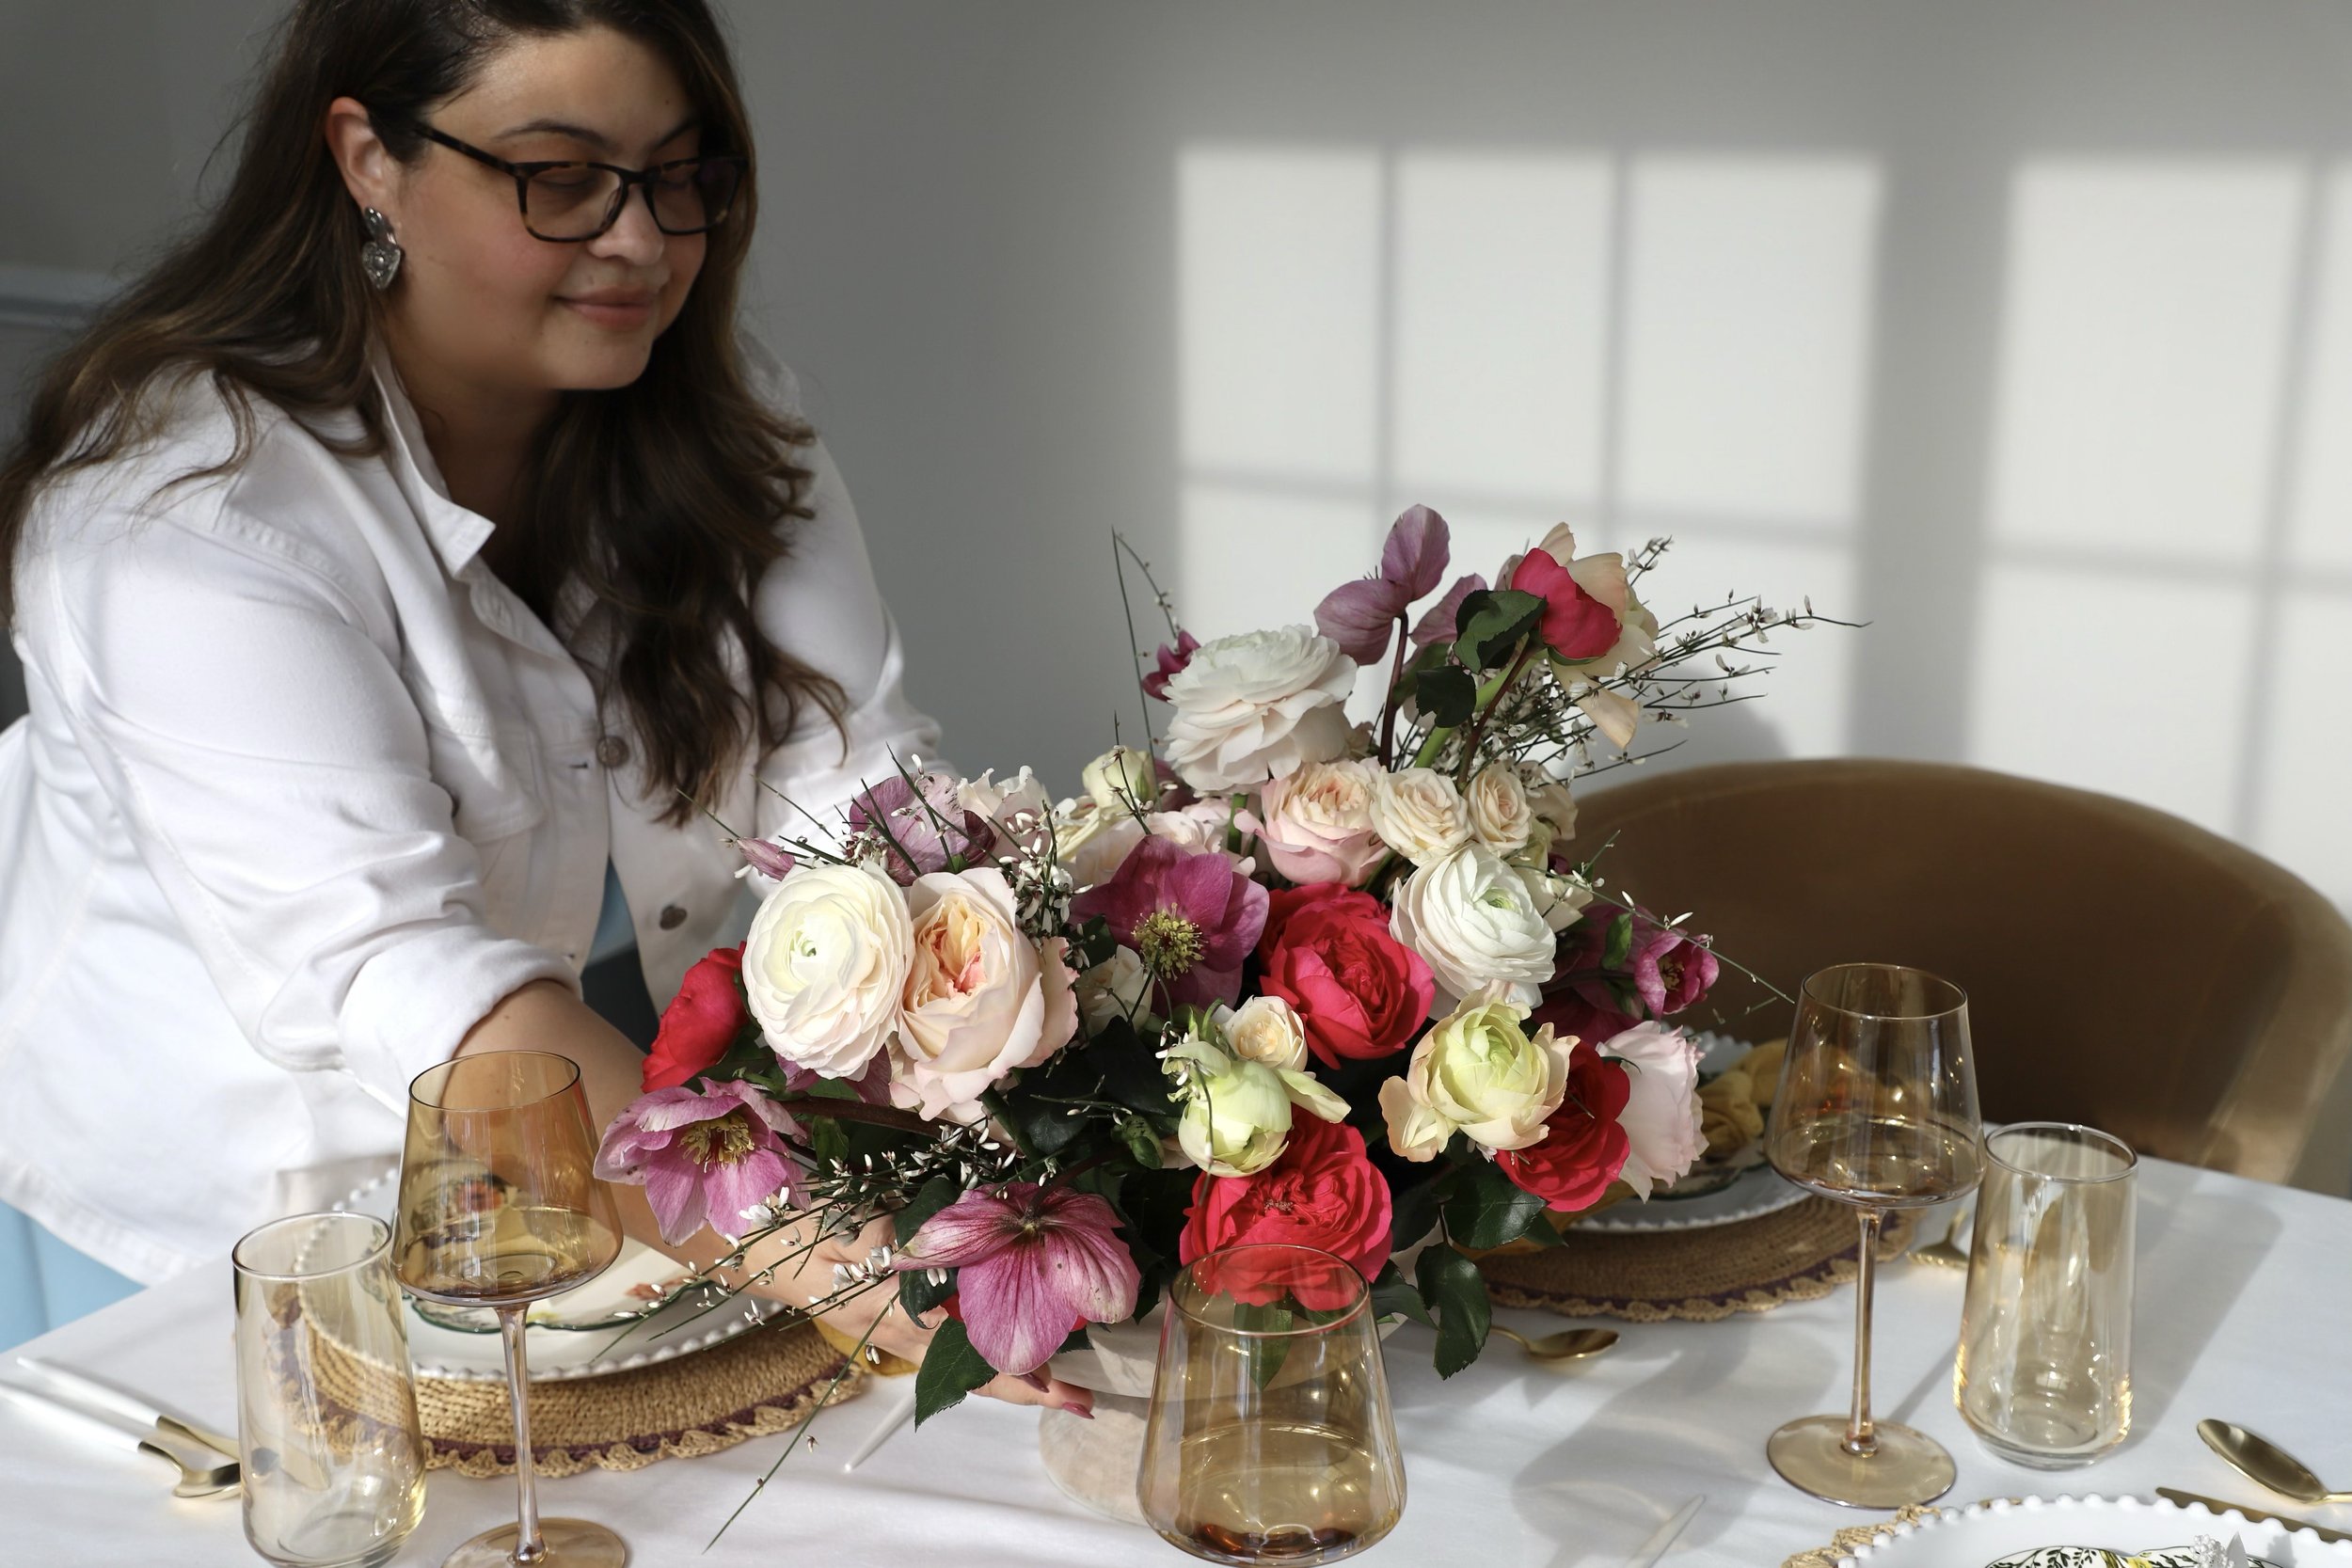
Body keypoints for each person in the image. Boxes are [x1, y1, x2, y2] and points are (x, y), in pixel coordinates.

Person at [0, 0, 1086, 1413]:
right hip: (209, 1243)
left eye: (680, 176)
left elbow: (862, 794)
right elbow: (425, 990)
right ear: (367, 157)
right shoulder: (185, 518)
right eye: (560, 177)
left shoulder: (722, 422)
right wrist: (880, 1276)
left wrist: (1068, 1053)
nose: (639, 241)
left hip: (561, 1194)